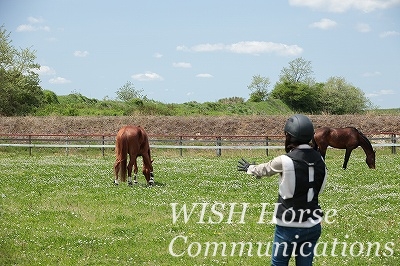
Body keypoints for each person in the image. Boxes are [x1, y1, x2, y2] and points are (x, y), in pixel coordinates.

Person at [237, 114, 327, 266]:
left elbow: (264, 169)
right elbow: (321, 188)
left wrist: (249, 168)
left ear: (289, 136)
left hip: (289, 224)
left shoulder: (285, 160)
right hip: (313, 224)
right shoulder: (321, 160)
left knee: (278, 263)